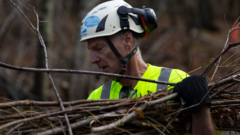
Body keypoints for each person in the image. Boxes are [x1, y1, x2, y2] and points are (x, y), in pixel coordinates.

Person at [80, 0, 217, 134]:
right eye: (92, 51)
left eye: (99, 48)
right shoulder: (96, 99)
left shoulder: (174, 81)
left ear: (127, 39)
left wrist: (200, 109)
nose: (93, 60)